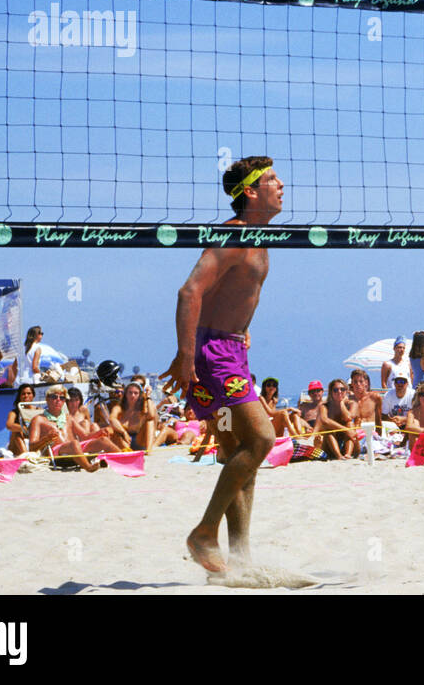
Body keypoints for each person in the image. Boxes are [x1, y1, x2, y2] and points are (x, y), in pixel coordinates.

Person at [162, 154, 283, 574]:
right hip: (213, 355)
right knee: (262, 440)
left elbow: (230, 296)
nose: (281, 184)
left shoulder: (259, 237)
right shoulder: (234, 237)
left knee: (239, 454)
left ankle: (240, 560)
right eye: (271, 179)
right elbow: (188, 292)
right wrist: (187, 355)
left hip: (229, 349)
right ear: (250, 191)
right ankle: (204, 532)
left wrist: (239, 331)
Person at [315, 379, 358, 460]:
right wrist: (346, 430)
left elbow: (348, 417)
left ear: (346, 391)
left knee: (350, 424)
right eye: (335, 390)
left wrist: (341, 403)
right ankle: (339, 456)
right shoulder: (324, 406)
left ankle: (347, 454)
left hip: (349, 442)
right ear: (331, 392)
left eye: (342, 389)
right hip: (330, 445)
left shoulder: (352, 404)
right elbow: (325, 420)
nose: (339, 392)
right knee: (328, 429)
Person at [112, 381, 159, 453]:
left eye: (136, 393)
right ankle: (128, 451)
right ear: (126, 394)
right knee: (115, 429)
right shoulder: (119, 408)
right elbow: (112, 419)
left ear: (140, 395)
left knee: (149, 422)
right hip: (124, 441)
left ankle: (148, 451)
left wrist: (148, 396)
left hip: (139, 440)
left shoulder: (143, 408)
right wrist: (123, 432)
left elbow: (151, 415)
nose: (133, 395)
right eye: (130, 393)